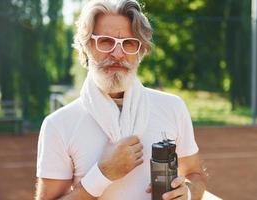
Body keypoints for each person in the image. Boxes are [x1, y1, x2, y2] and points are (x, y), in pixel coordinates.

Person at [35, 0, 207, 199]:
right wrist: (102, 174)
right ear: (86, 47)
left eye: (129, 43)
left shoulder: (172, 107)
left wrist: (188, 192)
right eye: (105, 41)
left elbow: (195, 174)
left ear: (140, 51)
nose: (118, 54)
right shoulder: (58, 125)